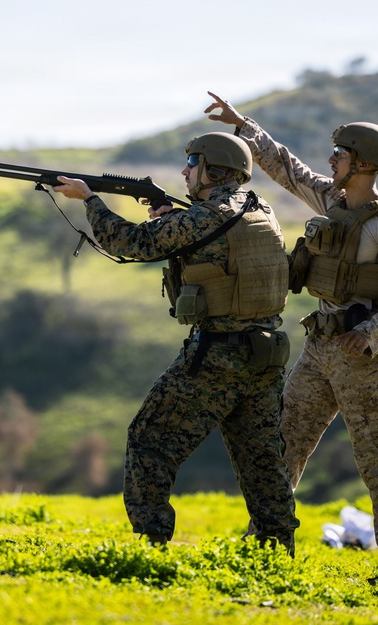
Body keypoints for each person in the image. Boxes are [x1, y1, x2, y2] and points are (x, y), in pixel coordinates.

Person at [204, 91, 378, 584]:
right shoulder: (332, 199)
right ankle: (265, 543)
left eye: (340, 154)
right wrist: (243, 126)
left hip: (364, 357)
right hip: (320, 347)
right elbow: (287, 168)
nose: (331, 161)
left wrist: (371, 334)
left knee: (376, 455)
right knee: (283, 444)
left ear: (364, 164)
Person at [51, 132, 300, 555]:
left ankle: (151, 544)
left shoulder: (208, 215)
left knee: (150, 440)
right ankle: (276, 551)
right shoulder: (260, 211)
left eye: (192, 163)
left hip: (218, 354)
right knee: (262, 463)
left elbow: (131, 243)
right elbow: (212, 243)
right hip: (265, 354)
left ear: (212, 169)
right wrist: (168, 215)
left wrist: (89, 200)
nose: (184, 171)